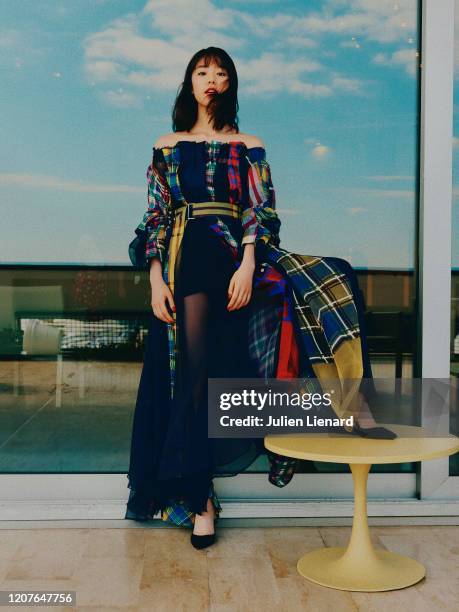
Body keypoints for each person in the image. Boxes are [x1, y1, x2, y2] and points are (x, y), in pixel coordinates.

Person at [125, 46, 395, 550]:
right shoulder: (167, 145)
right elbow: (156, 216)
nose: (212, 79)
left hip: (234, 253)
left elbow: (260, 208)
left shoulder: (249, 143)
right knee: (196, 373)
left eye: (221, 73)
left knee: (326, 281)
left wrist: (249, 262)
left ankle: (350, 405)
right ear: (189, 82)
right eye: (203, 72)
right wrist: (155, 278)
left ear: (231, 85)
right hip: (187, 257)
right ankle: (200, 500)